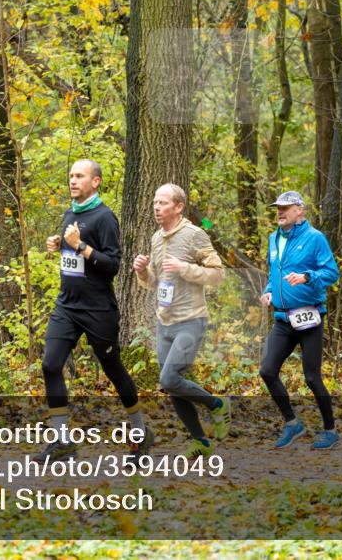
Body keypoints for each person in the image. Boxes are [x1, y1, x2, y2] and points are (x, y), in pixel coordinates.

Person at [40, 159, 153, 462]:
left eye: (80, 176)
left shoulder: (105, 218)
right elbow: (72, 259)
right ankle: (63, 441)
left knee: (112, 368)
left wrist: (79, 247)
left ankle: (141, 432)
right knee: (50, 365)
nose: (73, 180)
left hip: (98, 309)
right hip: (67, 305)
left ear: (96, 182)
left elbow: (113, 266)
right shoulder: (69, 213)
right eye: (71, 175)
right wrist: (58, 245)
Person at [133, 184, 229, 458]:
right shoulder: (155, 238)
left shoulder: (195, 235)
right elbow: (154, 283)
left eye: (162, 203)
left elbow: (218, 275)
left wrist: (185, 268)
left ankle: (217, 404)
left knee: (170, 377)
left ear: (178, 207)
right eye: (155, 202)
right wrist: (142, 271)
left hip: (191, 319)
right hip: (165, 322)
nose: (156, 207)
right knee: (172, 385)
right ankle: (200, 441)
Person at [258, 191, 340, 450]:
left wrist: (307, 277)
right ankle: (293, 424)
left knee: (312, 377)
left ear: (299, 211)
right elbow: (274, 273)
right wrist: (268, 292)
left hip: (309, 318)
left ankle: (330, 430)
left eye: (286, 207)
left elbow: (331, 273)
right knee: (267, 370)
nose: (280, 212)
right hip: (283, 319)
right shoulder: (273, 238)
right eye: (278, 208)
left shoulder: (315, 238)